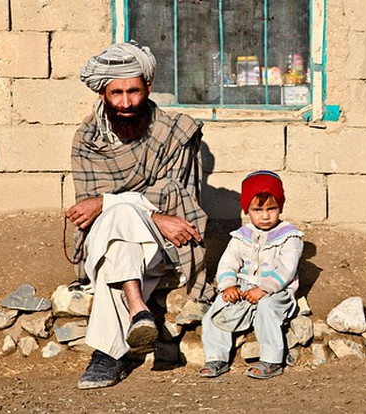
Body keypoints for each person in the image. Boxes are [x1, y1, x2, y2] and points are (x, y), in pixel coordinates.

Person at [66, 40, 214, 390]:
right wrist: (140, 210)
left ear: (147, 87)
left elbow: (176, 195)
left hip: (165, 244)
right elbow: (90, 216)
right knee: (118, 232)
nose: (127, 102)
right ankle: (138, 310)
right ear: (102, 93)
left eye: (134, 91)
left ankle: (106, 356)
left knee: (118, 219)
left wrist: (109, 202)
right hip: (108, 241)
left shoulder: (176, 132)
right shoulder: (87, 140)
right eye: (116, 93)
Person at [199, 170, 303, 379]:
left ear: (280, 207)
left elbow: (287, 268)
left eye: (272, 209)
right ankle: (216, 357)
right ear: (247, 210)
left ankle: (272, 360)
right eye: (258, 210)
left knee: (267, 307)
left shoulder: (290, 236)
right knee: (217, 309)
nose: (265, 216)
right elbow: (228, 262)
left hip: (276, 291)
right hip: (244, 288)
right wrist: (228, 285)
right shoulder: (241, 236)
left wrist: (264, 289)